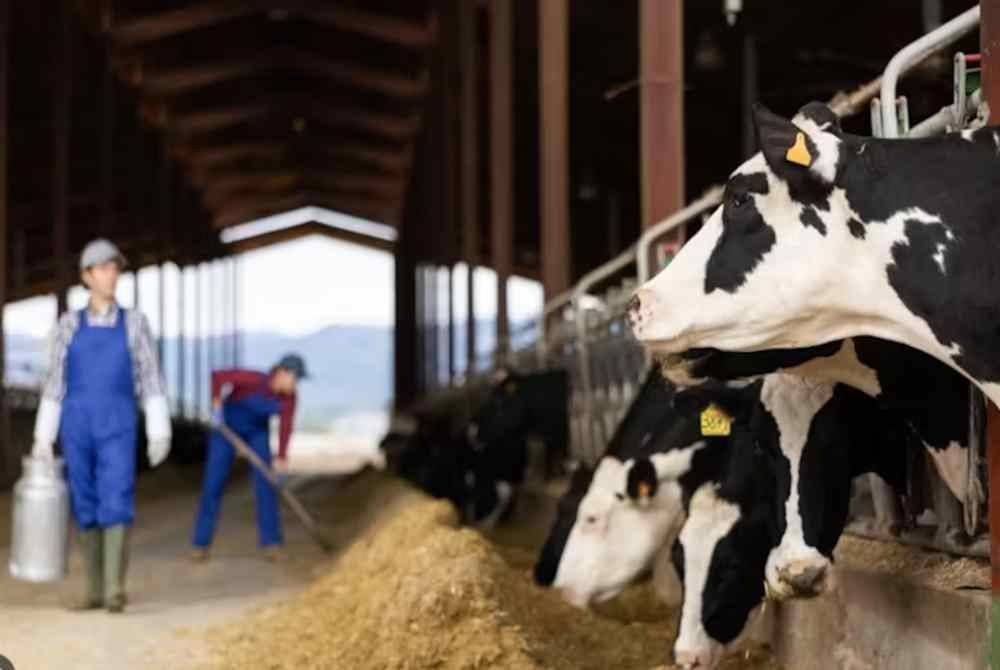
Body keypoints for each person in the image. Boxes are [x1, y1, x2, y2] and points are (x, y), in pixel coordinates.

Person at [32, 238, 172, 613]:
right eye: (103, 269)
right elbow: (55, 382)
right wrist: (43, 435)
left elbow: (151, 377)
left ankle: (114, 589)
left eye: (115, 269)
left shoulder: (135, 324)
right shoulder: (68, 326)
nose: (111, 276)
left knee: (117, 494)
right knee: (84, 498)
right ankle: (92, 589)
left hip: (118, 421)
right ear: (87, 276)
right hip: (76, 421)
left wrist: (159, 427)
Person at [190, 354, 306, 562]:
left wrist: (281, 458)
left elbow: (286, 427)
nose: (296, 385)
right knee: (213, 484)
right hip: (225, 429)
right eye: (295, 379)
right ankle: (200, 544)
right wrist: (216, 405)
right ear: (282, 373)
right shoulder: (253, 379)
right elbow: (217, 376)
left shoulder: (290, 398)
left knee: (266, 484)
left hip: (256, 433)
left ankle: (272, 544)